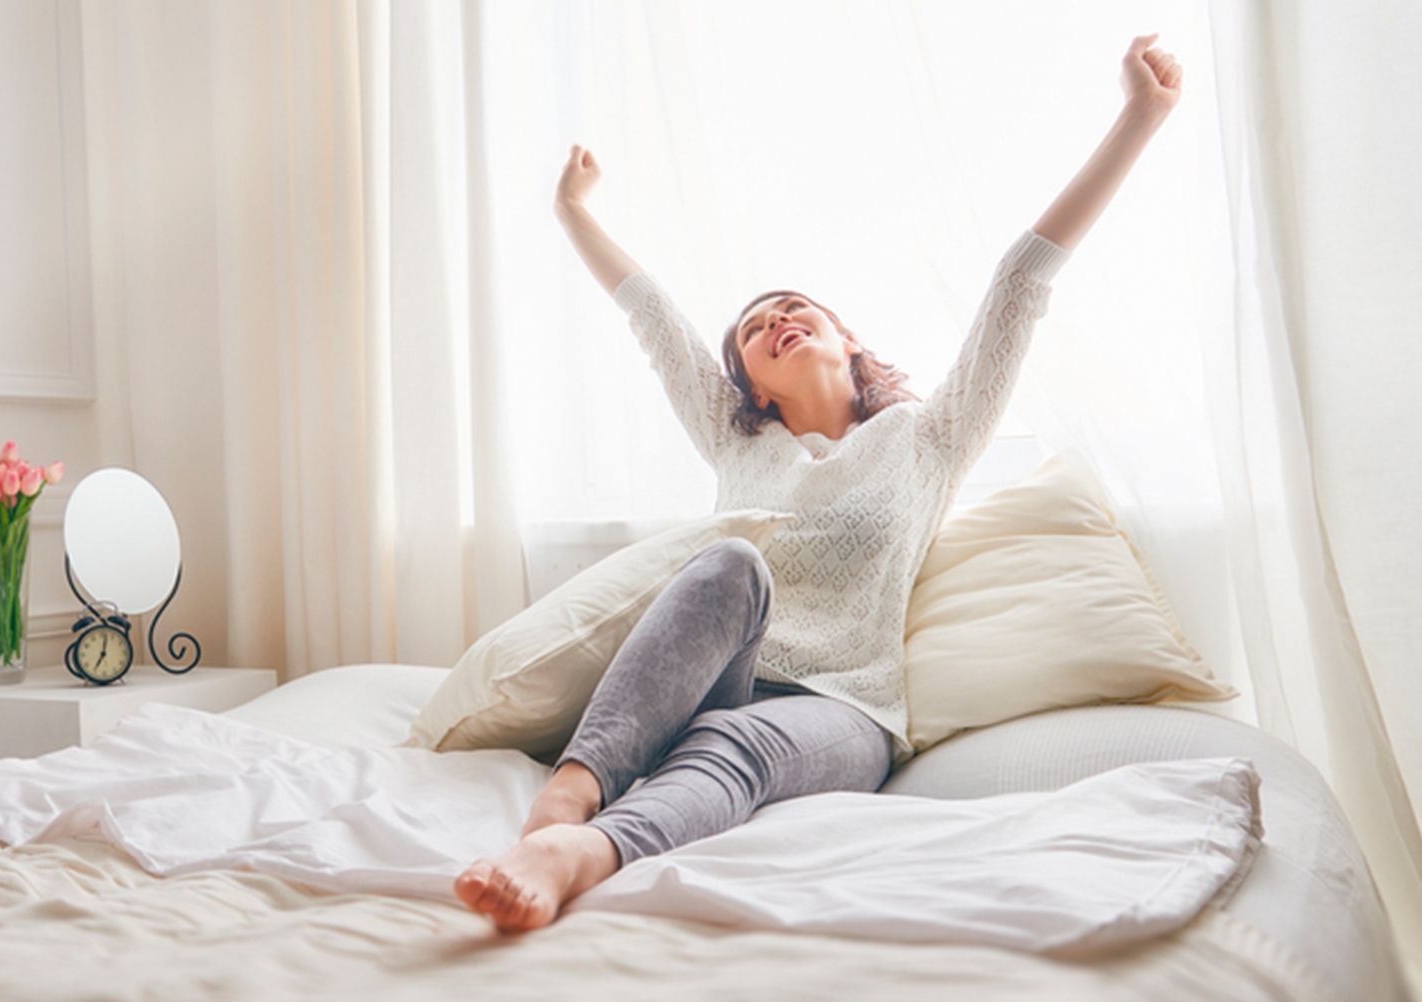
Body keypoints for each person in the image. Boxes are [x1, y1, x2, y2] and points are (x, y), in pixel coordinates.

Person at [454, 33, 1185, 933]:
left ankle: (578, 853)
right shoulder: (737, 441)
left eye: (800, 308)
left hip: (842, 712)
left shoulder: (928, 437)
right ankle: (562, 803)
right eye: (758, 325)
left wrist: (1139, 118)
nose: (781, 317)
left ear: (845, 338)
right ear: (752, 384)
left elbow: (1018, 284)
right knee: (729, 566)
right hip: (715, 679)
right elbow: (653, 318)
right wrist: (573, 212)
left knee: (733, 744)